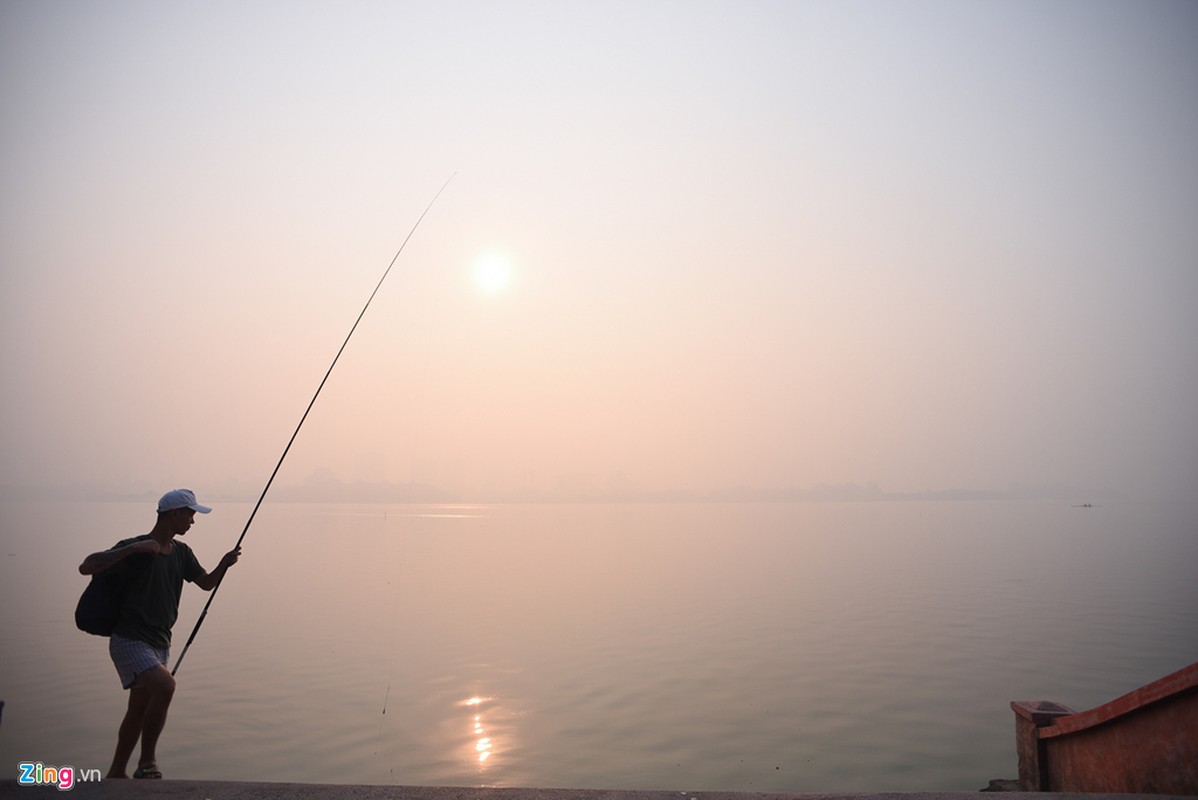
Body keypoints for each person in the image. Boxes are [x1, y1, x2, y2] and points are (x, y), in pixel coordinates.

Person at [78, 489, 241, 780]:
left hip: (159, 642)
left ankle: (116, 772)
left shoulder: (182, 553)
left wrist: (224, 564)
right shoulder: (136, 546)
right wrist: (131, 550)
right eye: (190, 514)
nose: (193, 521)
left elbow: (205, 583)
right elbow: (87, 565)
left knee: (138, 709)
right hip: (129, 640)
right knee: (165, 687)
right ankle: (147, 763)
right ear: (173, 514)